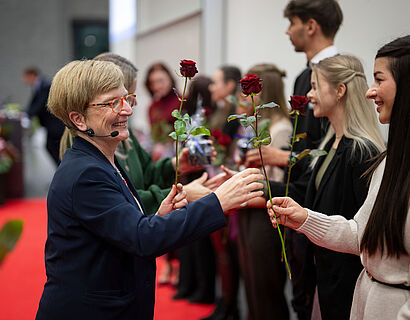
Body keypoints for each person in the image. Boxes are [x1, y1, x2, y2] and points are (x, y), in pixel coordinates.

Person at [35, 59, 265, 320]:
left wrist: (158, 217)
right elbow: (142, 238)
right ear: (78, 119)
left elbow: (124, 226)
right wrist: (218, 201)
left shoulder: (100, 159)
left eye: (128, 99)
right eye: (113, 103)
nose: (127, 110)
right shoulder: (86, 172)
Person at [268, 35, 410, 320]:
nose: (371, 92)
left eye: (380, 80)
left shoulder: (362, 152)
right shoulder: (387, 160)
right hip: (355, 294)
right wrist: (304, 218)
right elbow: (361, 233)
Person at [244, 1, 343, 318]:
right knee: (301, 294)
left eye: (292, 23)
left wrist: (280, 156)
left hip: (319, 201)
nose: (288, 31)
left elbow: (327, 149)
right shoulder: (306, 75)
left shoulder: (332, 71)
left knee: (317, 295)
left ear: (310, 26)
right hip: (303, 195)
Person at [235, 63, 293, 320]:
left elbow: (278, 183)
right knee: (251, 283)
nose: (245, 95)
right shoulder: (259, 124)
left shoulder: (280, 129)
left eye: (249, 88)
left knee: (265, 288)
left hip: (265, 213)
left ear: (263, 89)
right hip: (250, 205)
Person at [201, 65, 243, 320]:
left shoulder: (234, 116)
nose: (211, 87)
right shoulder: (218, 112)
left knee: (226, 251)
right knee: (220, 251)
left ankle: (230, 306)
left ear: (230, 85)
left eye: (216, 82)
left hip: (226, 184)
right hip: (215, 181)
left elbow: (230, 153)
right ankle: (225, 302)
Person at [23, 66, 65, 165]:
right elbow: (33, 104)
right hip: (50, 125)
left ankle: (62, 171)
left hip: (55, 124)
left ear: (33, 75)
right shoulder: (38, 86)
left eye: (26, 77)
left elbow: (40, 104)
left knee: (53, 147)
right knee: (52, 147)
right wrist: (26, 114)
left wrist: (27, 116)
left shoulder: (45, 85)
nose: (24, 80)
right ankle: (61, 171)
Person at [145, 62, 180, 161]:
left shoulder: (182, 101)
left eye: (161, 81)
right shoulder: (153, 106)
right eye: (153, 83)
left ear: (170, 79)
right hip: (158, 156)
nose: (157, 86)